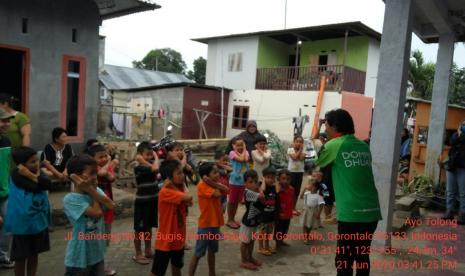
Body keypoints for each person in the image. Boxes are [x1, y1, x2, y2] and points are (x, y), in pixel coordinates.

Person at [315, 109, 382, 276]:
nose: (325, 129)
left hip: (352, 213)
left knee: (344, 259)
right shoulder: (363, 146)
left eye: (326, 125)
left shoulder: (333, 144)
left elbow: (311, 161)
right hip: (372, 211)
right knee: (362, 257)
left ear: (335, 126)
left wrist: (317, 139)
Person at [63, 155, 115, 276]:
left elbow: (111, 206)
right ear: (76, 177)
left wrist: (92, 190)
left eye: (95, 173)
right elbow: (97, 214)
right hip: (79, 257)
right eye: (91, 173)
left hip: (97, 253)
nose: (95, 177)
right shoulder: (71, 199)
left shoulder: (97, 191)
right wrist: (92, 191)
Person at [6, 147, 51, 276]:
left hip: (37, 222)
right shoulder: (16, 174)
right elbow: (34, 187)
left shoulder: (36, 171)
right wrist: (36, 178)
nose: (36, 164)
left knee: (34, 253)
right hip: (22, 225)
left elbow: (48, 184)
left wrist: (32, 175)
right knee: (20, 257)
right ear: (21, 164)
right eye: (32, 162)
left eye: (36, 160)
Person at [151, 160, 193, 276]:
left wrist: (178, 186)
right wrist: (181, 185)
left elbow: (190, 203)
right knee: (157, 272)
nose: (182, 176)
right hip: (165, 240)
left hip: (179, 238)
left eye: (182, 173)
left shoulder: (178, 189)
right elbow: (189, 198)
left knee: (177, 267)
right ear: (169, 178)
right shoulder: (165, 192)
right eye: (179, 173)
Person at [188, 162, 228, 276]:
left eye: (217, 172)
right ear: (205, 176)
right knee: (198, 253)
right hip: (206, 225)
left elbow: (225, 189)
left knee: (212, 251)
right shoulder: (202, 185)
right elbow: (217, 194)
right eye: (214, 173)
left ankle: (212, 273)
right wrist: (211, 183)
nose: (218, 175)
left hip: (215, 224)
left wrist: (212, 182)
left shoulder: (213, 183)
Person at [87, 144, 117, 276]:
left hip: (107, 206)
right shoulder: (92, 170)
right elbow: (102, 173)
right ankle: (93, 267)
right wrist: (110, 162)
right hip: (95, 207)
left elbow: (111, 177)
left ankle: (100, 266)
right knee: (94, 238)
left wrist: (108, 166)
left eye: (106, 156)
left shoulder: (105, 166)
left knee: (104, 239)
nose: (104, 159)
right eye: (100, 157)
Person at [133, 142, 160, 265]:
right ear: (139, 155)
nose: (150, 157)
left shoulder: (148, 164)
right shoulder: (139, 167)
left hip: (153, 201)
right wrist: (156, 156)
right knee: (139, 229)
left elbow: (156, 170)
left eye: (151, 154)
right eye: (147, 154)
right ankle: (138, 253)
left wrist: (149, 158)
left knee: (148, 227)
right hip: (142, 203)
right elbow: (155, 168)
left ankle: (148, 250)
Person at [239, 170, 264, 271]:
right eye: (250, 182)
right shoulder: (248, 192)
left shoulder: (254, 191)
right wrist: (260, 187)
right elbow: (262, 196)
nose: (253, 184)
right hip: (248, 222)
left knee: (252, 240)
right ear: (245, 183)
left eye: (255, 181)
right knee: (245, 242)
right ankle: (244, 260)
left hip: (254, 220)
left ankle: (250, 257)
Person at [442, 121, 465, 224]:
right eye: (463, 125)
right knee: (450, 191)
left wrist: (461, 135)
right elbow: (451, 141)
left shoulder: (461, 136)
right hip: (452, 166)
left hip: (463, 167)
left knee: (463, 193)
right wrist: (459, 132)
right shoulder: (456, 134)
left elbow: (463, 140)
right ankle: (449, 212)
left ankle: (462, 215)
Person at [0, 108, 15, 268]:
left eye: (8, 120)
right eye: (3, 120)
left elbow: (6, 167)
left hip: (5, 191)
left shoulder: (6, 142)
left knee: (7, 225)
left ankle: (3, 256)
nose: (7, 124)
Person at [226, 137, 249, 229]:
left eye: (241, 145)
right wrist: (244, 148)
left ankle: (232, 219)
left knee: (236, 202)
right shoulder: (232, 153)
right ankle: (229, 220)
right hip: (234, 181)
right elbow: (241, 159)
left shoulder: (246, 153)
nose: (240, 147)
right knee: (232, 201)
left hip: (242, 182)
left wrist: (244, 149)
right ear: (233, 146)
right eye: (238, 145)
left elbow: (245, 159)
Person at [257, 166, 277, 256]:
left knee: (268, 233)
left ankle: (267, 246)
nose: (270, 179)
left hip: (271, 216)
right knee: (262, 233)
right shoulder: (261, 187)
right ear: (263, 177)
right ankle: (261, 247)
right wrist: (263, 181)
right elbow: (263, 190)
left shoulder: (274, 187)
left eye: (272, 177)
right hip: (263, 216)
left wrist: (275, 182)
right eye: (268, 177)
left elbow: (278, 191)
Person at [299, 176, 324, 245]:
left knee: (310, 225)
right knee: (305, 224)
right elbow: (301, 196)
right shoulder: (307, 193)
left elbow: (321, 205)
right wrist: (304, 188)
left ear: (314, 187)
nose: (308, 186)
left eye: (310, 184)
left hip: (313, 211)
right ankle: (305, 237)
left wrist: (319, 214)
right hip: (306, 210)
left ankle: (307, 235)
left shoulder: (319, 196)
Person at [274, 169, 294, 250]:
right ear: (279, 179)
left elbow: (292, 200)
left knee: (285, 229)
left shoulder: (291, 189)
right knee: (279, 229)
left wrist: (293, 210)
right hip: (279, 215)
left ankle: (281, 241)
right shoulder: (277, 189)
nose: (285, 181)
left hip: (288, 214)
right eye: (283, 179)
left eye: (288, 179)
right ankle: (277, 243)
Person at [287, 135, 305, 210]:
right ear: (294, 142)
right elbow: (294, 158)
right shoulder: (290, 149)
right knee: (289, 190)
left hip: (299, 173)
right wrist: (300, 150)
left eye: (300, 142)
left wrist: (300, 150)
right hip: (291, 172)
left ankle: (293, 208)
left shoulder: (304, 150)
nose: (298, 143)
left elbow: (300, 158)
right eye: (297, 141)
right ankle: (288, 207)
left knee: (296, 191)